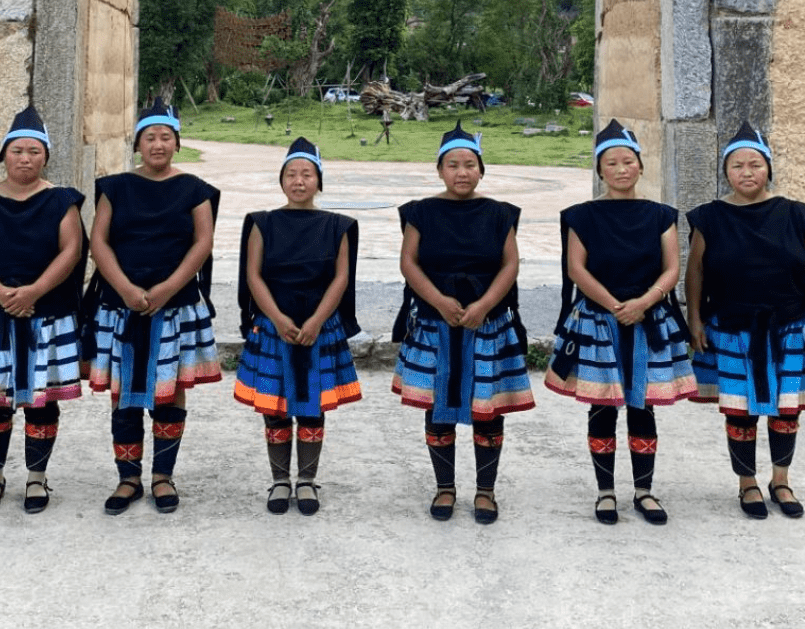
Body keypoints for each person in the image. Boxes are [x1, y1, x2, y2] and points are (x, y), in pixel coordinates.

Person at [545, 121, 696, 525]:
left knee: (642, 406)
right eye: (611, 162)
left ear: (641, 166)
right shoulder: (581, 216)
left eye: (628, 161)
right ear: (600, 170)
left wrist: (643, 302)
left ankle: (645, 490)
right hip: (599, 321)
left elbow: (671, 269)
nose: (621, 168)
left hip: (649, 320)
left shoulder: (661, 215)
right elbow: (576, 269)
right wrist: (616, 305)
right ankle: (605, 492)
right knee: (602, 407)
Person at [685, 122, 805, 519]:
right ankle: (746, 483)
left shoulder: (797, 215)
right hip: (732, 328)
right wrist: (693, 318)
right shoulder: (708, 218)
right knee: (740, 410)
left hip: (788, 326)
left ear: (768, 168)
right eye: (737, 166)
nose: (746, 172)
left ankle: (780, 480)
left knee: (787, 410)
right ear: (726, 172)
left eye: (754, 164)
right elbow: (695, 271)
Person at [0, 105, 87, 517]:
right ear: (4, 154)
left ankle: (37, 477)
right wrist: (3, 294)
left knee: (41, 401)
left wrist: (34, 292)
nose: (25, 158)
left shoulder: (63, 200)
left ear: (45, 156)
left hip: (47, 312)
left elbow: (71, 250)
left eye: (33, 151)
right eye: (17, 151)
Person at [391, 123, 534, 525]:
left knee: (487, 409)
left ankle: (485, 490)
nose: (461, 172)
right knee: (439, 406)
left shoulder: (499, 213)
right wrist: (438, 300)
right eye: (452, 165)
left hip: (487, 325)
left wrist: (485, 305)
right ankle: (445, 487)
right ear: (439, 170)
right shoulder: (420, 211)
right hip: (435, 324)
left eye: (470, 164)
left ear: (481, 170)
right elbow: (409, 263)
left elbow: (510, 264)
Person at [85, 98, 222, 515]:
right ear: (138, 144)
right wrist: (126, 287)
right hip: (121, 304)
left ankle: (163, 476)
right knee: (122, 394)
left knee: (171, 390)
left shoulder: (195, 190)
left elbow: (202, 242)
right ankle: (128, 477)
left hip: (175, 305)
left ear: (177, 143)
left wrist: (167, 288)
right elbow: (99, 241)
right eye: (150, 137)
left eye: (165, 137)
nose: (158, 144)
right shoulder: (115, 187)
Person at [233, 137, 361, 516]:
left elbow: (341, 279)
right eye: (291, 174)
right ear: (281, 181)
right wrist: (277, 317)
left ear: (319, 181)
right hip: (275, 327)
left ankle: (305, 480)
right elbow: (253, 275)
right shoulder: (263, 223)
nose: (299, 181)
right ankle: (279, 481)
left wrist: (318, 320)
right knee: (274, 407)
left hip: (320, 327)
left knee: (310, 407)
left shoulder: (338, 226)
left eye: (307, 174)